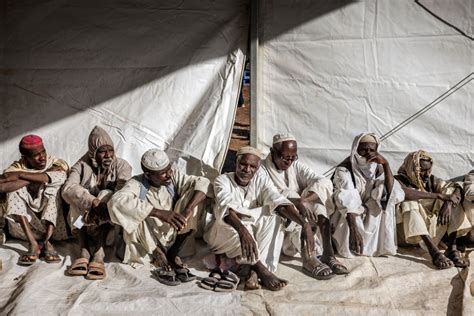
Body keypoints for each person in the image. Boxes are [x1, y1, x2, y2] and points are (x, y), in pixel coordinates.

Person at [204, 146, 315, 291]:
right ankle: (262, 269)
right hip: (223, 235)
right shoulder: (222, 180)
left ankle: (254, 273)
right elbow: (226, 208)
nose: (247, 169)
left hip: (249, 233)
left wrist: (304, 224)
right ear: (236, 162)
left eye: (252, 166)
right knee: (232, 217)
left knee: (275, 216)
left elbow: (278, 201)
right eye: (243, 164)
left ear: (257, 168)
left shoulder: (261, 180)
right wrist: (243, 231)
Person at [108, 148, 212, 286]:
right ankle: (157, 254)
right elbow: (115, 201)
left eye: (169, 169)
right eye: (163, 173)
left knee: (197, 195)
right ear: (148, 175)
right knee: (134, 209)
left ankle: (173, 254)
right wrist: (158, 213)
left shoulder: (173, 178)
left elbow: (203, 182)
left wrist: (188, 209)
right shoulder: (136, 184)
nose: (169, 174)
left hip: (173, 235)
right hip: (147, 242)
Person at [260, 134, 348, 279]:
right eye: (285, 157)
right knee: (289, 193)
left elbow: (323, 181)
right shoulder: (262, 169)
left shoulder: (295, 164)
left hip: (303, 214)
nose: (289, 161)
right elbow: (273, 197)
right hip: (281, 218)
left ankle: (327, 253)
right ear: (272, 151)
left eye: (293, 157)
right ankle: (308, 258)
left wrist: (305, 200)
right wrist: (296, 201)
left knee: (317, 200)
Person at [62, 126, 132, 279]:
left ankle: (99, 251)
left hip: (108, 220)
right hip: (84, 219)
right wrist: (92, 202)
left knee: (106, 194)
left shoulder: (122, 166)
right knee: (77, 200)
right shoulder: (81, 165)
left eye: (110, 150)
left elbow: (123, 191)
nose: (108, 155)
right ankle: (84, 249)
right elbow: (68, 188)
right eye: (102, 151)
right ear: (93, 152)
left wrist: (100, 202)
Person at [331, 133, 404, 258]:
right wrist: (354, 230)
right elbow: (348, 200)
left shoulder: (377, 168)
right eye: (364, 150)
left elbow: (392, 191)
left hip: (366, 210)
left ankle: (376, 247)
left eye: (372, 150)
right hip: (348, 215)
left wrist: (386, 164)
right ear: (356, 149)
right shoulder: (344, 170)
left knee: (384, 195)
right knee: (350, 207)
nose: (368, 154)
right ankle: (349, 244)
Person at [0, 135, 69, 265]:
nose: (42, 157)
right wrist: (40, 176)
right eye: (35, 155)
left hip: (55, 229)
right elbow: (3, 186)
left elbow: (60, 176)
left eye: (43, 151)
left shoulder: (56, 163)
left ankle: (47, 242)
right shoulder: (15, 167)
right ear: (25, 158)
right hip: (26, 228)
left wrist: (20, 175)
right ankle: (33, 244)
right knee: (13, 191)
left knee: (54, 187)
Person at [395, 151, 471, 269]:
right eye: (422, 171)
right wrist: (438, 196)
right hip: (408, 234)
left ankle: (452, 247)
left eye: (428, 170)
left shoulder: (431, 180)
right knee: (409, 203)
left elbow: (456, 189)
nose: (426, 174)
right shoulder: (398, 180)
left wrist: (449, 203)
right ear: (412, 168)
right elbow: (404, 193)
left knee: (450, 194)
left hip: (431, 227)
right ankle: (434, 253)